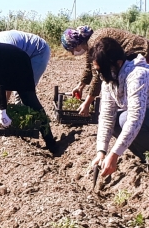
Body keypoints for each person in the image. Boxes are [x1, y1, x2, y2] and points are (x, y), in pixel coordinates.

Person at [90, 37, 149, 177]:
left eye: (102, 70)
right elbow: (106, 115)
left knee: (125, 119)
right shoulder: (109, 81)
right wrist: (101, 151)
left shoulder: (138, 75)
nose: (100, 75)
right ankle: (146, 156)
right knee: (116, 120)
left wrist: (114, 154)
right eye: (98, 71)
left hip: (143, 117)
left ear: (118, 63)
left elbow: (135, 117)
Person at [61, 26, 149, 116]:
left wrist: (86, 104)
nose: (73, 53)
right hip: (138, 52)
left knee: (134, 85)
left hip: (143, 53)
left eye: (72, 50)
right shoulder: (91, 42)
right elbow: (89, 67)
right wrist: (80, 86)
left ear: (77, 43)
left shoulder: (95, 43)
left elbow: (97, 76)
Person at [0, 30, 51, 105]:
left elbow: (8, 78)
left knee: (25, 87)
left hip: (38, 50)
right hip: (22, 52)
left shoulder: (1, 51)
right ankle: (19, 110)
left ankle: (30, 115)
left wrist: (3, 106)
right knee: (18, 88)